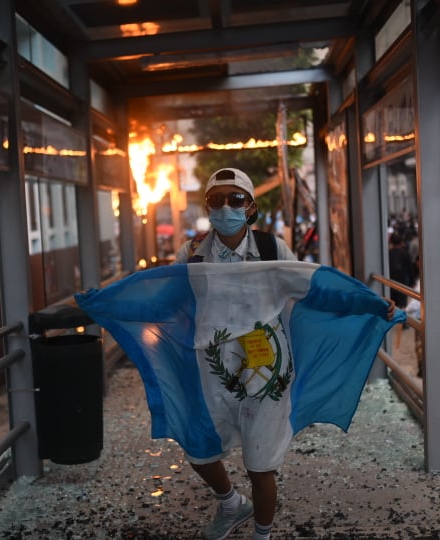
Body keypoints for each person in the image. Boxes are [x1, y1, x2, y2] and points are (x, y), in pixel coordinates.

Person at [170, 167, 396, 540]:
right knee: (198, 449)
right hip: (208, 370)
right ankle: (230, 504)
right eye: (217, 200)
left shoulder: (273, 250)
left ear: (251, 206)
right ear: (207, 205)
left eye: (236, 199)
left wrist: (366, 302)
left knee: (260, 465)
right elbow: (166, 297)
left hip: (265, 371)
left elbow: (314, 287)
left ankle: (263, 534)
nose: (226, 207)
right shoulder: (191, 254)